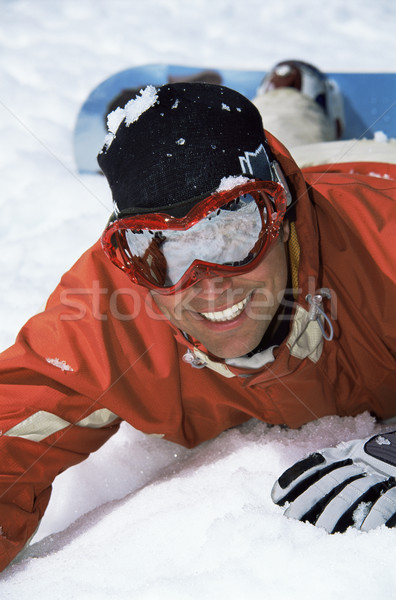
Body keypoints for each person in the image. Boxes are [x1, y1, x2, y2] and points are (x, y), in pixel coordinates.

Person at [1, 61, 396, 572]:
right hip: (284, 177)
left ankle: (293, 94)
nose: (207, 282)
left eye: (233, 233)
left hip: (377, 170)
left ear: (279, 216)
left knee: (299, 140)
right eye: (164, 248)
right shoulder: (112, 308)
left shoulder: (382, 254)